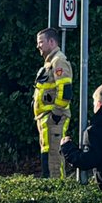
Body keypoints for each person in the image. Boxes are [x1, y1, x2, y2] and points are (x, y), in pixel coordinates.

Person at [33, 27, 73, 178]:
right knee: (48, 158)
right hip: (46, 120)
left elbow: (65, 90)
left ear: (51, 42)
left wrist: (56, 114)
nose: (38, 46)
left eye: (41, 42)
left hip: (54, 119)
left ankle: (57, 192)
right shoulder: (50, 62)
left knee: (54, 159)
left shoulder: (59, 61)